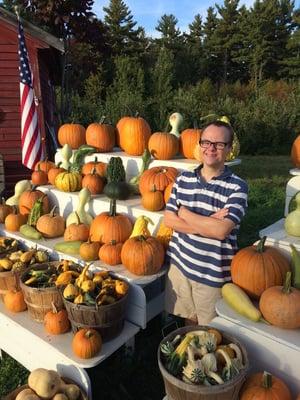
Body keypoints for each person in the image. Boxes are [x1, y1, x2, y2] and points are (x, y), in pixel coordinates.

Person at [164, 120, 248, 325]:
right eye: (206, 142)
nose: (211, 148)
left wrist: (184, 213)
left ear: (229, 149)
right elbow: (168, 219)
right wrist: (209, 222)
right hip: (181, 264)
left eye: (219, 144)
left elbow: (221, 231)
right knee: (188, 319)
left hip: (212, 274)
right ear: (200, 144)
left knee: (209, 330)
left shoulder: (238, 187)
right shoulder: (183, 179)